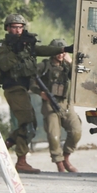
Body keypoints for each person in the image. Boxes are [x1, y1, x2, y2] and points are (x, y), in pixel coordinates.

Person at [0, 14, 71, 174]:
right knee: (27, 124)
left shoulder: (24, 43)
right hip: (13, 88)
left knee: (29, 124)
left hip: (23, 88)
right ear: (7, 28)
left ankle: (2, 147)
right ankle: (21, 162)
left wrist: (64, 49)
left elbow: (41, 50)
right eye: (14, 27)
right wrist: (18, 50)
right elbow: (5, 65)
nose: (17, 30)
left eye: (20, 27)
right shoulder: (2, 46)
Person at [35, 39, 83, 173]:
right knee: (54, 135)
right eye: (58, 52)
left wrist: (71, 62)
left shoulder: (68, 67)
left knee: (76, 131)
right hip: (50, 103)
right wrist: (40, 92)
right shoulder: (44, 66)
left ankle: (66, 157)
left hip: (66, 103)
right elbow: (31, 80)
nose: (60, 55)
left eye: (63, 52)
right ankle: (59, 163)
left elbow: (80, 78)